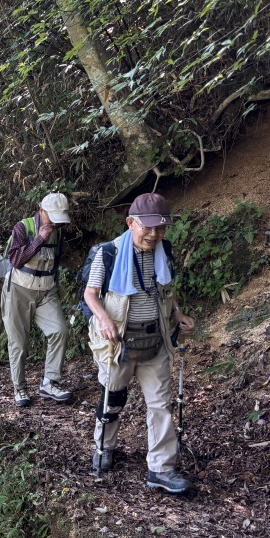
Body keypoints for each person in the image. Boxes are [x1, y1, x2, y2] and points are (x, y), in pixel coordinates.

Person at [82, 192, 196, 494]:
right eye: (148, 227)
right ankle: (104, 446)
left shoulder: (163, 251)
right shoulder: (108, 253)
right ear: (131, 223)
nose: (154, 234)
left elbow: (166, 290)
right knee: (113, 398)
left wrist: (178, 313)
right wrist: (104, 320)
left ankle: (161, 469)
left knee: (160, 405)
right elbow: (90, 294)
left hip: (155, 339)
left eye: (161, 228)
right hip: (118, 341)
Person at [2, 192, 72, 408]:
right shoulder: (23, 227)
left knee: (60, 330)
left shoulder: (58, 231)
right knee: (19, 342)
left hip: (46, 290)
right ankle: (20, 387)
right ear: (41, 211)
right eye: (52, 217)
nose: (55, 223)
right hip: (19, 289)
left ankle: (50, 382)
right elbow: (15, 259)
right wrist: (40, 239)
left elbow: (56, 260)